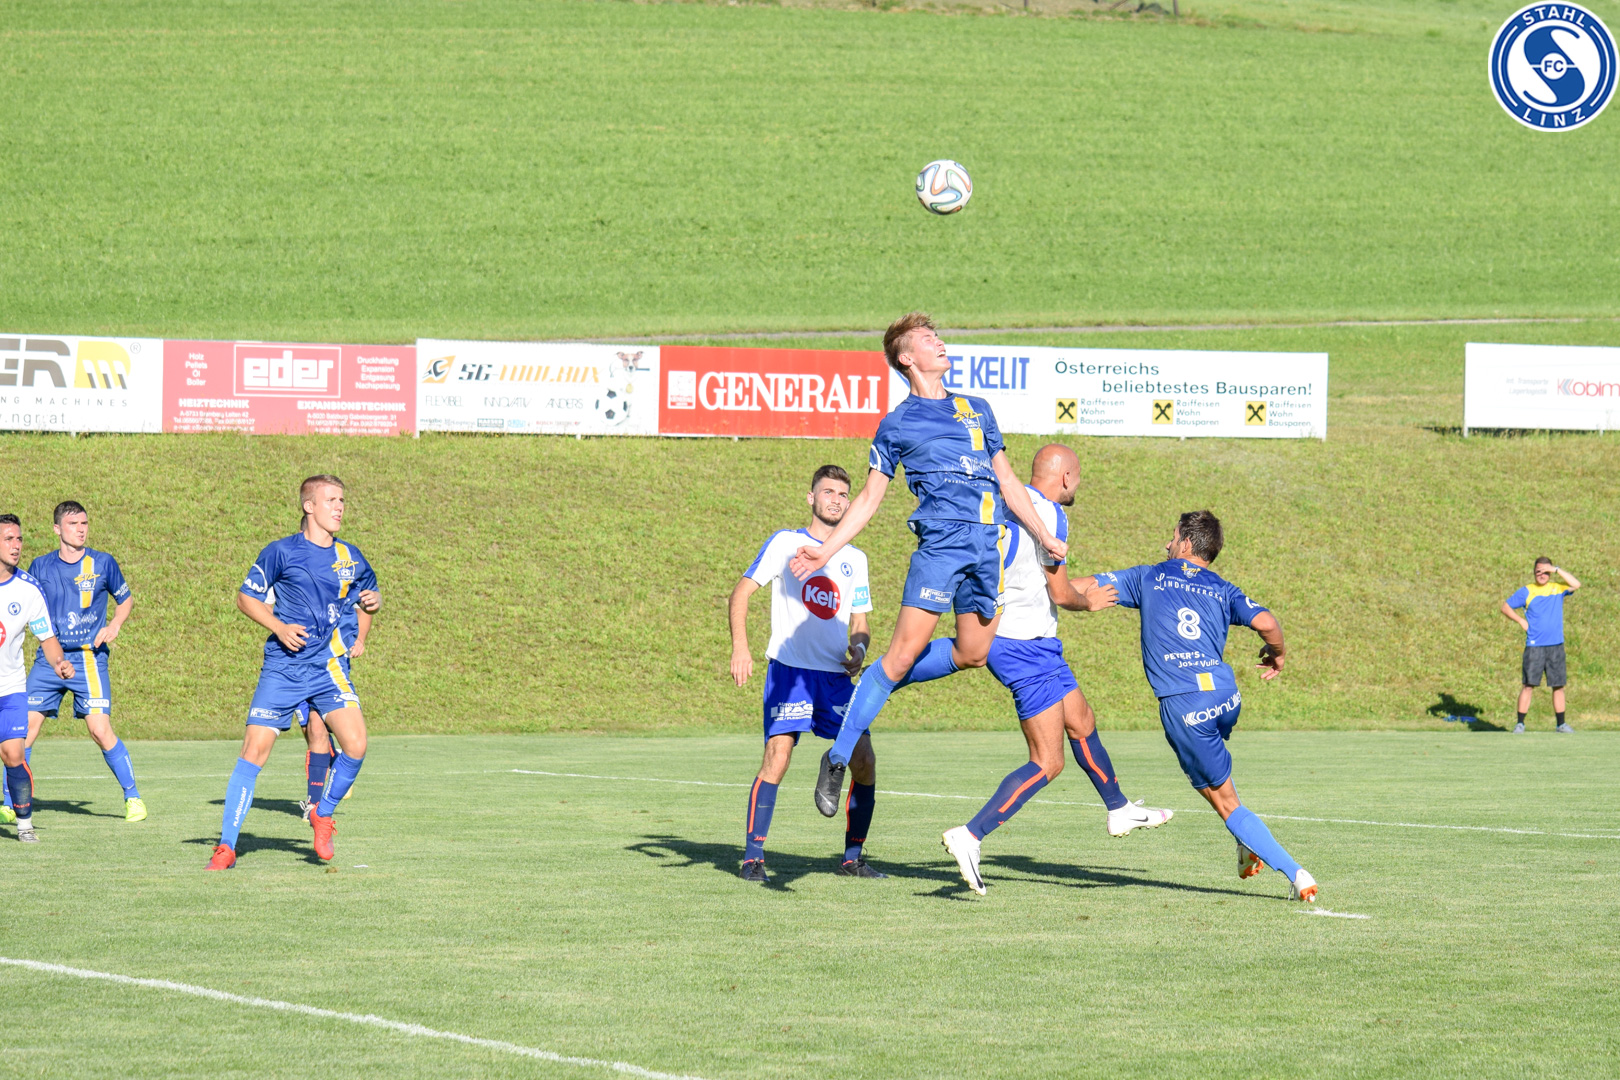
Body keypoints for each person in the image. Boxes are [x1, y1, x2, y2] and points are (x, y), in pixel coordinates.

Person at [787, 313, 1066, 821]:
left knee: (973, 653)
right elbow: (869, 497)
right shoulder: (897, 423)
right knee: (900, 655)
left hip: (988, 548)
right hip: (942, 546)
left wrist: (1043, 534)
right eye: (926, 339)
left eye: (938, 336)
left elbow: (1008, 482)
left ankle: (880, 680)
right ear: (906, 358)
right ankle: (838, 756)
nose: (939, 342)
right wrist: (825, 552)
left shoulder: (977, 408)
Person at [936, 444, 1174, 894]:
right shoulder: (1050, 513)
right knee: (1048, 762)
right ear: (1065, 477)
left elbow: (1029, 579)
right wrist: (1090, 602)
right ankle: (970, 835)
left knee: (1081, 720)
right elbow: (1061, 593)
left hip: (1033, 641)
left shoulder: (1006, 500)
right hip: (1023, 646)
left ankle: (1119, 808)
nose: (1078, 484)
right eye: (1078, 476)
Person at [1076, 510, 1318, 903]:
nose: (1166, 544)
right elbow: (1267, 623)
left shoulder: (1149, 576)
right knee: (1211, 780)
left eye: (1172, 537)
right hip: (1225, 695)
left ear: (1186, 543)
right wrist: (1278, 654)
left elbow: (1079, 587)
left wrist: (1047, 589)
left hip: (1184, 704)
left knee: (1225, 802)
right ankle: (1245, 844)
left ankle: (1296, 873)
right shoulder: (1223, 588)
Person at [206, 475, 380, 870]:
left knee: (355, 745)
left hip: (328, 667)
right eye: (331, 500)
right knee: (254, 752)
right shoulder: (281, 552)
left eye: (342, 500)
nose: (339, 507)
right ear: (309, 506)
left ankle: (322, 813)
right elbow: (246, 597)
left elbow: (368, 597)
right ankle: (227, 847)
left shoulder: (350, 557)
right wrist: (278, 627)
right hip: (284, 667)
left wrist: (372, 606)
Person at [730, 465, 878, 883]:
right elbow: (741, 592)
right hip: (790, 671)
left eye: (843, 494)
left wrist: (860, 648)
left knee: (864, 760)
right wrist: (741, 647)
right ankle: (753, 859)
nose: (836, 500)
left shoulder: (855, 558)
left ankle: (852, 859)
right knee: (777, 757)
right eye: (828, 492)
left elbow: (860, 621)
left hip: (835, 678)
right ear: (811, 498)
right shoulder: (786, 543)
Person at [6, 501, 143, 825]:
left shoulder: (102, 563)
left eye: (84, 523)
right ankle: (10, 803)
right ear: (57, 529)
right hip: (49, 659)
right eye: (73, 524)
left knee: (100, 730)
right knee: (22, 733)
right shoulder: (40, 566)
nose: (81, 529)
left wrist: (115, 625)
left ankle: (133, 797)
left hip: (88, 659)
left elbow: (125, 599)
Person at [0, 514, 76, 843]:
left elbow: (47, 637)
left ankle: (24, 824)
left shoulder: (28, 589)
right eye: (8, 539)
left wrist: (59, 662)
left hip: (10, 688)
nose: (16, 545)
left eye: (19, 539)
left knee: (14, 756)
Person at [1501, 558, 1580, 733]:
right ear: (1534, 573)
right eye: (1538, 571)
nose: (1542, 575)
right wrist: (1521, 621)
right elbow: (1506, 607)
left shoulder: (1557, 588)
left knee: (1558, 685)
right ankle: (1520, 723)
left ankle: (1561, 724)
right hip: (1534, 646)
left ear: (1550, 573)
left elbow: (1576, 584)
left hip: (1556, 646)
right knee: (1528, 685)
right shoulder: (1527, 591)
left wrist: (1556, 569)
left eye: (1545, 572)